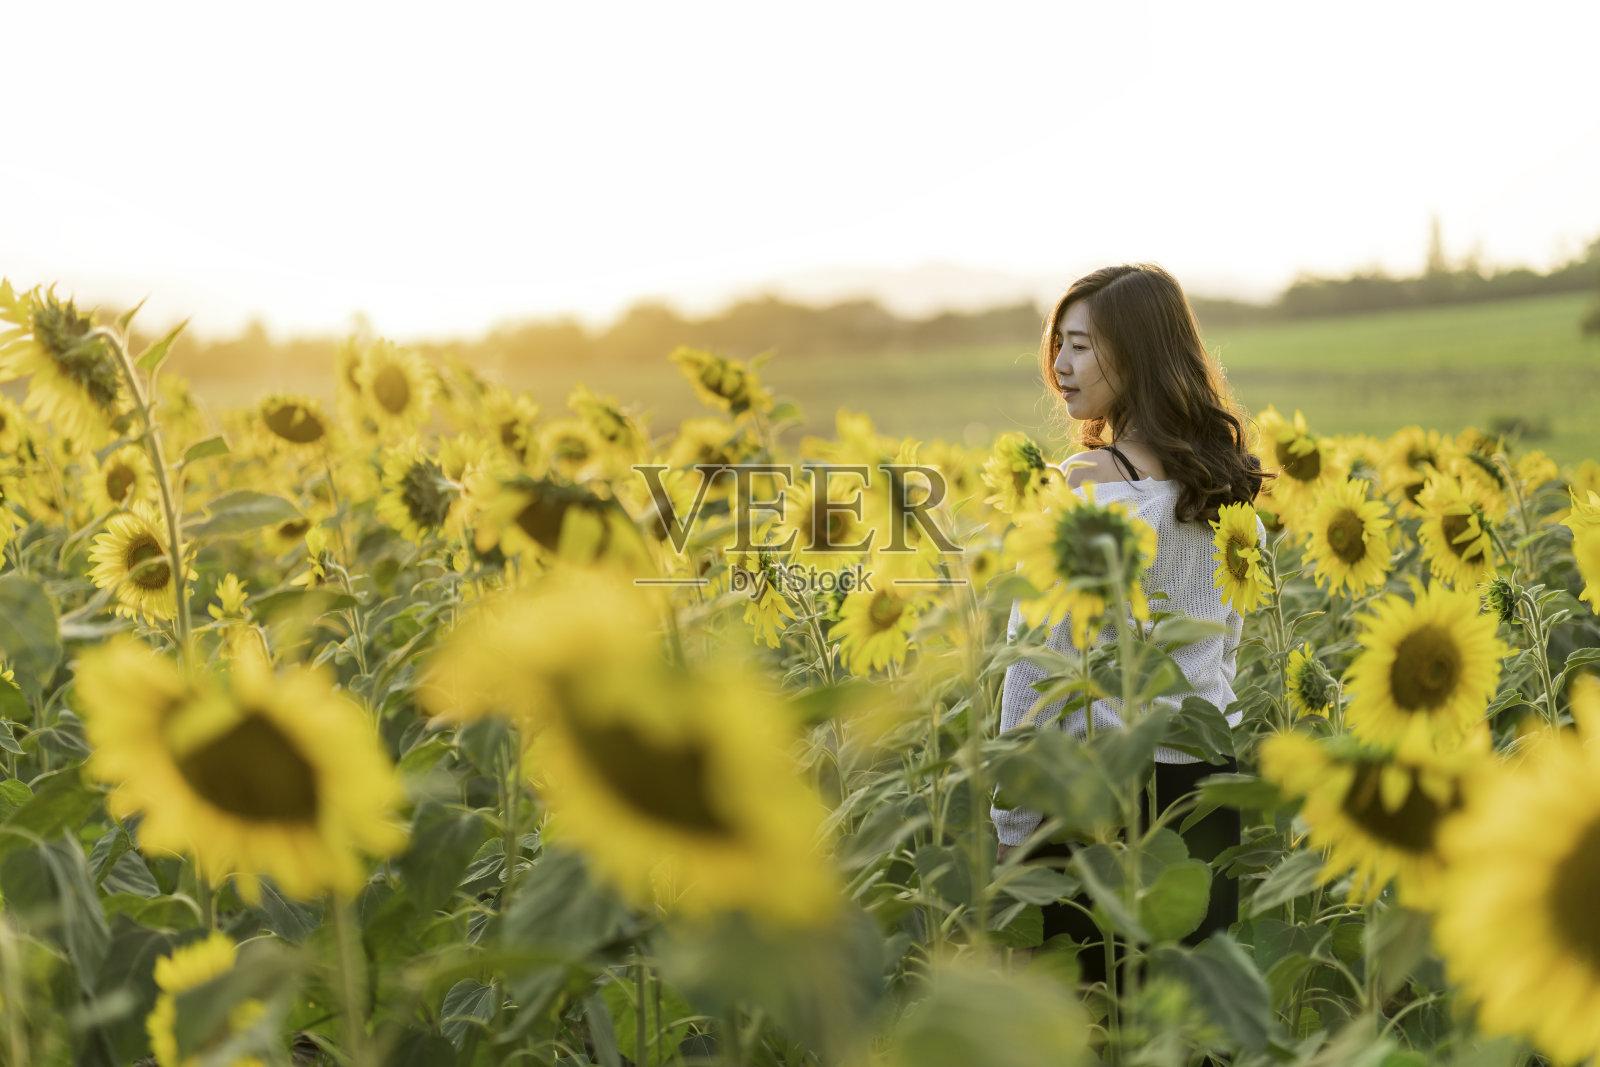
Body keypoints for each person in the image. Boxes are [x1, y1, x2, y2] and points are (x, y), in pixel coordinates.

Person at [990, 262, 1269, 985]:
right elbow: (1223, 655)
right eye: (1059, 344)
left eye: (1081, 345)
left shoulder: (1082, 485)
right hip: (1204, 791)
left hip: (1094, 796)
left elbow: (1032, 669)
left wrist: (1014, 832)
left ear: (1137, 352)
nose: (1059, 365)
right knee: (1192, 1015)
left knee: (1096, 1020)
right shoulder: (1226, 484)